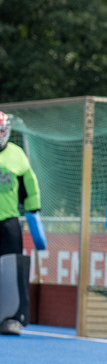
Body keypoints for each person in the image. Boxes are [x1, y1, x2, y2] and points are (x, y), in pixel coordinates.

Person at [0, 110, 42, 336]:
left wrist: (34, 211)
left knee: (12, 271)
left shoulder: (17, 155)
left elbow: (30, 186)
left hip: (8, 222)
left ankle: (12, 318)